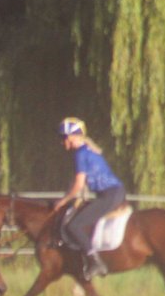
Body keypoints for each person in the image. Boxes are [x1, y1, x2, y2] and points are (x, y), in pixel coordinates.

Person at [52, 116, 126, 280]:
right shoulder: (86, 151)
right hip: (113, 193)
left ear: (71, 137)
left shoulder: (80, 154)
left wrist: (63, 201)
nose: (62, 142)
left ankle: (95, 262)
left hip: (110, 194)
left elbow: (78, 184)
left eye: (63, 138)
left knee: (74, 225)